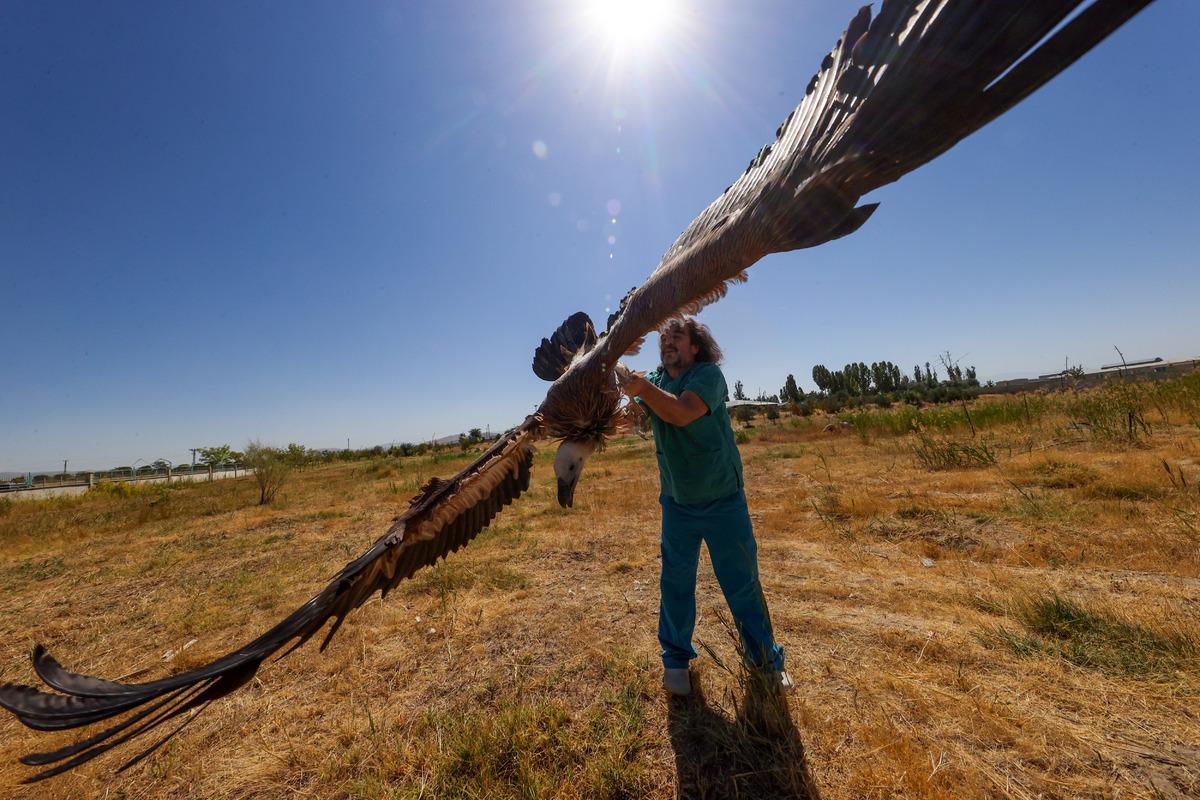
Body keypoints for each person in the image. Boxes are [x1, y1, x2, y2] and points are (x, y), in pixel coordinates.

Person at [617, 317, 791, 696]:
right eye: (663, 338)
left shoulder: (708, 376)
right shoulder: (659, 382)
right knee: (675, 585)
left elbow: (680, 412)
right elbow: (641, 410)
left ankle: (766, 662)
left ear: (695, 347)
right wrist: (619, 375)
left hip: (722, 500)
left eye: (676, 336)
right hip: (677, 504)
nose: (667, 342)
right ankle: (676, 662)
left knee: (741, 584)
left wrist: (641, 387)